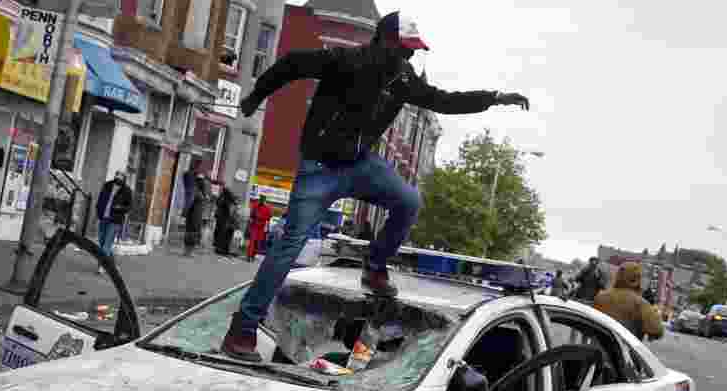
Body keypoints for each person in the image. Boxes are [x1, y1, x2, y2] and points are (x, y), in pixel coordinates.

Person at [219, 11, 529, 359]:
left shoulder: (403, 79)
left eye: (412, 53)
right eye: (403, 50)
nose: (407, 58)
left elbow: (443, 100)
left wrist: (494, 97)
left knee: (408, 200)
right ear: (385, 42)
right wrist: (256, 96)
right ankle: (241, 330)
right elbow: (291, 64)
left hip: (361, 164)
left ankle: (375, 266)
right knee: (289, 246)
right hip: (319, 167)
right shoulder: (347, 60)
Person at [594, 262, 664, 341]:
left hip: (598, 348)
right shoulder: (640, 303)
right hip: (624, 350)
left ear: (618, 275)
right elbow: (657, 330)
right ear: (637, 279)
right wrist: (655, 314)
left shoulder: (600, 296)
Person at [95, 171, 133, 268]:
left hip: (115, 220)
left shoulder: (127, 191)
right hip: (103, 217)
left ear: (124, 179)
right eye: (117, 176)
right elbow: (100, 199)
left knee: (107, 244)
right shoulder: (107, 185)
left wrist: (120, 208)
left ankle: (102, 266)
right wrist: (98, 211)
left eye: (121, 177)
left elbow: (129, 207)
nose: (118, 178)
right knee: (102, 241)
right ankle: (111, 263)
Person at [180, 158, 203, 256]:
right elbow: (191, 193)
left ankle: (187, 250)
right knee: (193, 228)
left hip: (192, 205)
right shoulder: (192, 177)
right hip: (194, 206)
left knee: (190, 227)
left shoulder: (190, 175)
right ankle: (189, 250)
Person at [214, 188, 238, 256]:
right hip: (225, 220)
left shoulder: (223, 199)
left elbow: (218, 204)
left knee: (221, 233)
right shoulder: (227, 200)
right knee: (224, 234)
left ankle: (220, 249)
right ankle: (221, 249)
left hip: (222, 219)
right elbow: (229, 212)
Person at [247, 196, 272, 261]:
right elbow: (251, 217)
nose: (261, 201)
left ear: (264, 200)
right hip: (254, 226)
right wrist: (249, 226)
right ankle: (249, 256)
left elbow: (268, 219)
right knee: (252, 241)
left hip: (261, 227)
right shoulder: (255, 206)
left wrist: (267, 228)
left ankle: (253, 255)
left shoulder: (267, 208)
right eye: (261, 200)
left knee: (257, 243)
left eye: (262, 200)